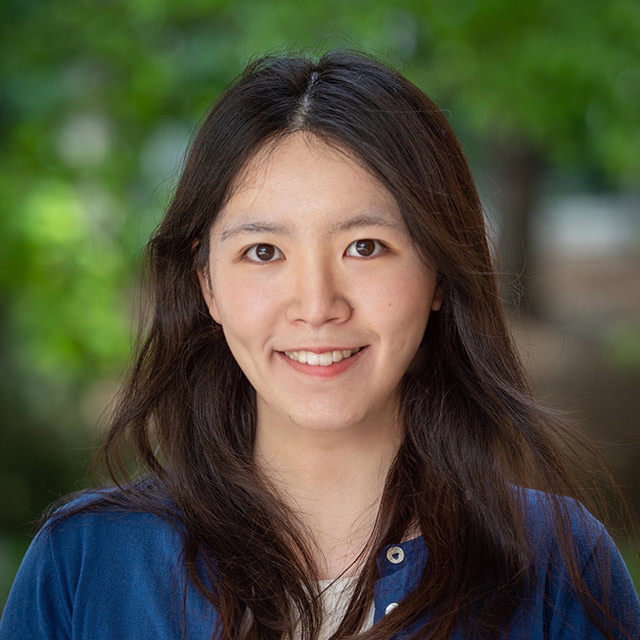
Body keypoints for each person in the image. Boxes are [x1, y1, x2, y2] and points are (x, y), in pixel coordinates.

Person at [1, 49, 638, 640]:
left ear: (439, 274)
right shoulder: (85, 563)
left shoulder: (557, 564)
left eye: (365, 247)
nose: (316, 305)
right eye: (263, 252)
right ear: (207, 286)